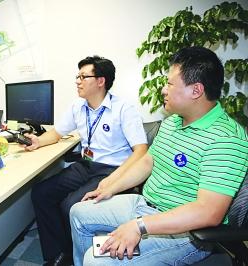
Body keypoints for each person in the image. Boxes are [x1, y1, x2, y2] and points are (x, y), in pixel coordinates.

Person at [69, 47, 248, 266]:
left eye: (170, 84)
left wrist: (140, 226)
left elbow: (207, 212)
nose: (163, 90)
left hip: (186, 233)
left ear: (196, 90)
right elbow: (147, 161)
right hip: (145, 205)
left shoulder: (226, 139)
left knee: (96, 260)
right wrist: (109, 188)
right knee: (79, 211)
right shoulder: (173, 121)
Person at [25, 56, 148, 265]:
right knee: (41, 193)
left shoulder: (123, 109)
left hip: (113, 169)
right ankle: (57, 254)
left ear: (101, 81)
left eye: (84, 76)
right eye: (77, 76)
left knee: (70, 205)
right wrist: (38, 141)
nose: (78, 81)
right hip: (86, 165)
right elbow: (56, 133)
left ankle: (74, 256)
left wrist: (116, 179)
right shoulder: (78, 106)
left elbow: (141, 151)